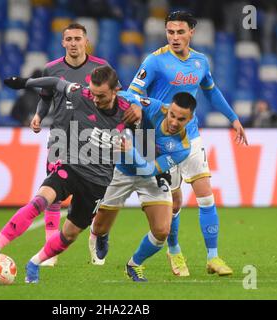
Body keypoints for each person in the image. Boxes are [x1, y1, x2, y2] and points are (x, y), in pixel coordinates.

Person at [0, 66, 142, 284]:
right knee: (39, 201)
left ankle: (35, 263)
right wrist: (24, 82)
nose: (95, 99)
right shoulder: (81, 93)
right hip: (70, 166)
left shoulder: (128, 111)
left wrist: (135, 128)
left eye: (101, 96)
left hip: (97, 182)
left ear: (115, 91)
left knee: (69, 235)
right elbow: (54, 82)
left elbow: (147, 118)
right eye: (93, 94)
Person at [124, 11, 248, 276]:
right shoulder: (155, 61)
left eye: (180, 32)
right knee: (176, 203)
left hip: (190, 136)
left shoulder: (200, 62)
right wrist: (138, 110)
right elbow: (133, 91)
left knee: (206, 195)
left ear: (192, 31)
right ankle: (175, 251)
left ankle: (213, 257)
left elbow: (211, 91)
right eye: (170, 32)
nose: (175, 37)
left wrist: (233, 118)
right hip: (163, 140)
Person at [29, 23, 114, 267]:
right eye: (69, 39)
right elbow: (45, 99)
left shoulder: (102, 68)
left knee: (94, 199)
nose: (74, 43)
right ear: (63, 42)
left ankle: (97, 235)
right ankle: (50, 251)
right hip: (60, 139)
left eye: (78, 38)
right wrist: (38, 116)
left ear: (86, 41)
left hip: (93, 142)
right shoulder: (52, 69)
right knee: (52, 195)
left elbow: (115, 101)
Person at [90, 92, 197, 282]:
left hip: (151, 176)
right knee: (99, 228)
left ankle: (134, 265)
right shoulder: (155, 107)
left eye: (181, 119)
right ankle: (101, 233)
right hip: (122, 171)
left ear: (190, 119)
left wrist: (131, 150)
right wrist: (134, 105)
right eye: (172, 115)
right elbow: (122, 94)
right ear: (168, 109)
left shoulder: (182, 147)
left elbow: (148, 170)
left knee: (162, 231)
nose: (174, 122)